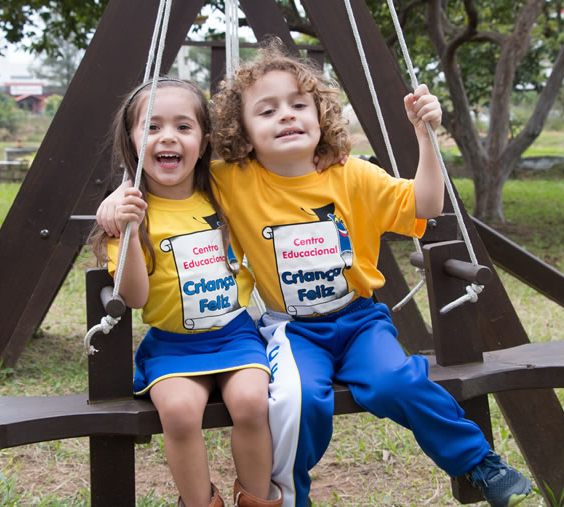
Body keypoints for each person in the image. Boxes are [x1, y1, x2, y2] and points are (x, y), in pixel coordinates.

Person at [204, 41, 533, 507]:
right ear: (242, 129)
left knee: (396, 381)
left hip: (359, 321)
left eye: (299, 105)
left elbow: (426, 204)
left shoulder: (354, 175)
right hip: (292, 329)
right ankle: (289, 496)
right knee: (297, 401)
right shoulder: (231, 180)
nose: (286, 116)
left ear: (321, 117)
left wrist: (425, 135)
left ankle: (479, 462)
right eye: (267, 110)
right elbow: (169, 169)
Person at [92, 77, 283, 507]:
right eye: (153, 126)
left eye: (183, 126)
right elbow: (136, 297)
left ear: (204, 140)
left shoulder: (223, 194)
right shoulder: (132, 214)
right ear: (132, 140)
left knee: (253, 402)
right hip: (173, 346)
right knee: (178, 413)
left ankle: (257, 500)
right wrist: (126, 229)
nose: (168, 137)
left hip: (235, 335)